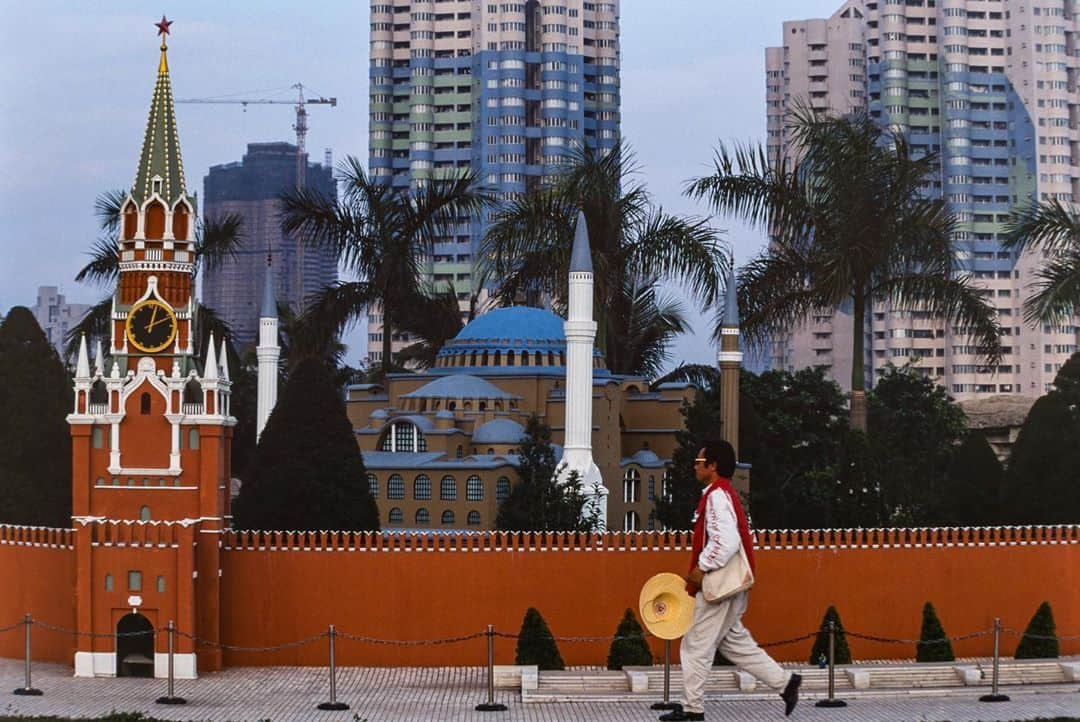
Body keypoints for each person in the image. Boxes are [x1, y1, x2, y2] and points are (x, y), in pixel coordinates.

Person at [659, 440, 801, 721]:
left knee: (695, 645)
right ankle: (785, 683)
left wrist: (702, 567)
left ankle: (692, 709)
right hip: (732, 586)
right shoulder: (724, 494)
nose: (695, 466)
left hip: (717, 587)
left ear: (712, 466)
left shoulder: (715, 496)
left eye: (699, 462)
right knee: (735, 643)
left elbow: (725, 541)